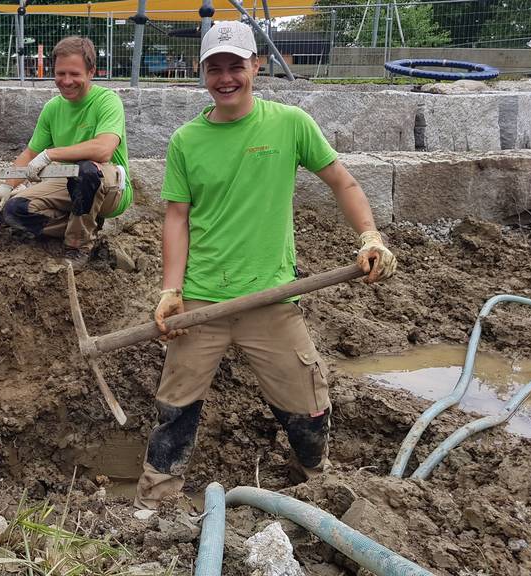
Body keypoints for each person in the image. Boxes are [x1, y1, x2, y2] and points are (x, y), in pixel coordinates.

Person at [134, 21, 397, 510]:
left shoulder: (289, 124)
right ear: (202, 73)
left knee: (307, 406)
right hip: (202, 301)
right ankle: (155, 501)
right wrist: (171, 290)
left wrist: (370, 235)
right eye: (216, 68)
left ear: (257, 66)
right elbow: (176, 218)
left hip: (272, 298)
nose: (226, 78)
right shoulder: (186, 141)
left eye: (237, 65)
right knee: (175, 408)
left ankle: (316, 481)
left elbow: (344, 182)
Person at [0, 36, 133, 268]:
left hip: (109, 187)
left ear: (91, 72)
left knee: (87, 170)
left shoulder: (107, 101)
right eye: (60, 73)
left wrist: (51, 155)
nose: (66, 81)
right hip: (70, 181)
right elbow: (29, 153)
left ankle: (77, 248)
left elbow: (104, 149)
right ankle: (85, 227)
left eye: (74, 74)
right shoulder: (53, 108)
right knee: (14, 211)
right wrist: (7, 185)